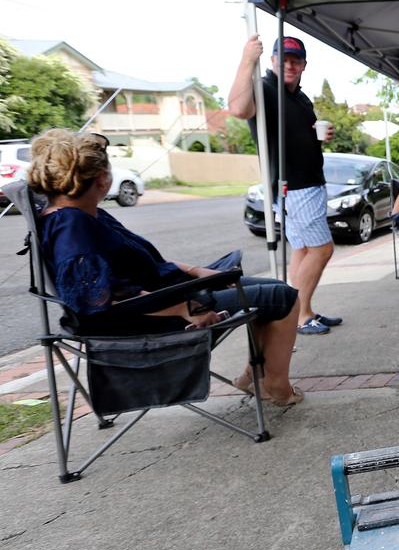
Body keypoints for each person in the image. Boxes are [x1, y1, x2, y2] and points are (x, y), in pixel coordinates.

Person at [28, 129, 304, 406]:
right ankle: (276, 385)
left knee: (272, 289)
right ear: (102, 180)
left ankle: (254, 375)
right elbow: (100, 303)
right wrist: (186, 309)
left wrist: (197, 272)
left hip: (163, 296)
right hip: (149, 318)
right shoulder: (72, 227)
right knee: (283, 298)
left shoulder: (82, 214)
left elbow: (141, 262)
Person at [229, 34, 341, 336]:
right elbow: (238, 109)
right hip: (294, 185)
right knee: (322, 250)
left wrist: (320, 136)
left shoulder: (301, 98)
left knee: (303, 250)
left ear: (304, 64)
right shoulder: (265, 89)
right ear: (273, 60)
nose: (290, 65)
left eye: (296, 60)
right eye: (285, 58)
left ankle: (303, 310)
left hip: (310, 183)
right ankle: (296, 317)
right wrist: (247, 58)